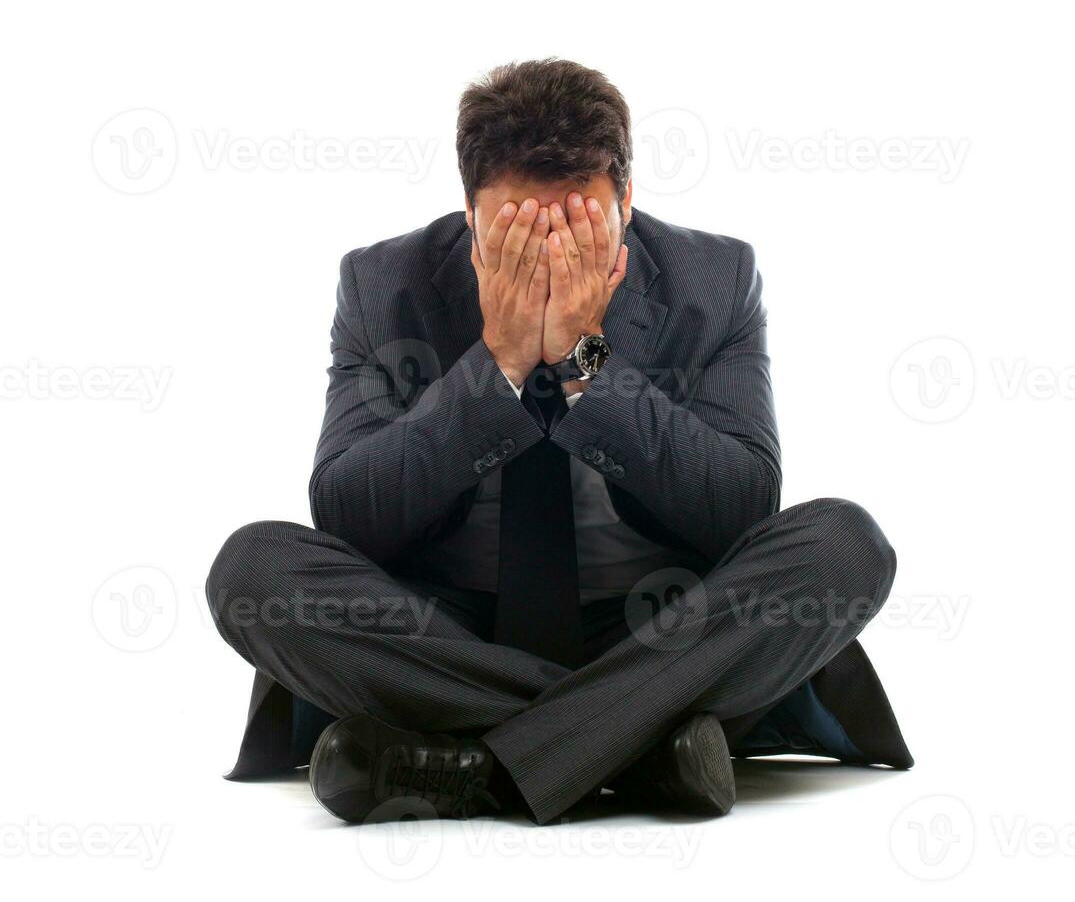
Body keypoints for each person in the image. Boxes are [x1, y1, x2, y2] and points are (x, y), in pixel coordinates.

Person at [206, 58, 912, 826]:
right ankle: (636, 746)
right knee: (253, 566)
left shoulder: (714, 277)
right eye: (513, 234)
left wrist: (584, 361)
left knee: (845, 543)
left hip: (658, 623)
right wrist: (499, 364)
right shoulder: (382, 283)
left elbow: (738, 506)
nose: (549, 260)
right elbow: (349, 513)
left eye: (578, 230)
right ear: (469, 215)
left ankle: (472, 765)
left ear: (628, 206)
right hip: (446, 636)